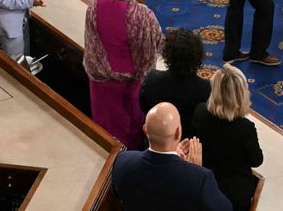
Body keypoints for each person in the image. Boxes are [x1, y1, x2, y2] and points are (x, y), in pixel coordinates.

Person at [84, 0, 163, 149]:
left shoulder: (95, 0)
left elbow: (92, 38)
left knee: (104, 129)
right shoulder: (142, 15)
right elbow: (152, 50)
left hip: (99, 83)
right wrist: (141, 7)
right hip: (128, 88)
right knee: (127, 136)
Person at [111, 102, 232, 210]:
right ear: (179, 132)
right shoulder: (200, 179)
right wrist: (195, 170)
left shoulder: (122, 161)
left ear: (145, 130)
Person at [191, 65, 262, 211]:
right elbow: (257, 161)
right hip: (234, 196)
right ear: (241, 95)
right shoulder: (245, 127)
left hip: (204, 186)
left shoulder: (200, 112)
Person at [139, 28, 211, 135]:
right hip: (190, 145)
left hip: (156, 138)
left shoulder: (152, 79)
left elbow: (144, 108)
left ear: (166, 55)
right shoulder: (206, 89)